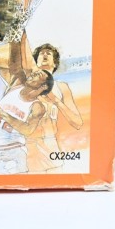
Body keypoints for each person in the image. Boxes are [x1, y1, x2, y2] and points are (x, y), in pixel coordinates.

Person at [0, 34, 54, 174]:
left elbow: (28, 130)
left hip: (14, 151)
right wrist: (15, 35)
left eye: (38, 75)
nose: (33, 74)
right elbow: (15, 64)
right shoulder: (16, 86)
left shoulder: (37, 106)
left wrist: (2, 113)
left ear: (43, 87)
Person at [25, 43, 83, 173]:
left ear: (55, 63)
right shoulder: (27, 85)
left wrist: (56, 101)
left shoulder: (62, 87)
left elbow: (77, 123)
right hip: (28, 146)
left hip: (51, 145)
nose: (44, 54)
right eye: (41, 53)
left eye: (48, 53)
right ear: (35, 61)